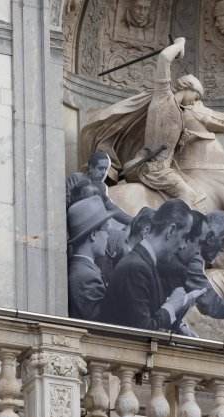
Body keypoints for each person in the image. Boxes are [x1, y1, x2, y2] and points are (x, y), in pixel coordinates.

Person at [101, 199, 206, 330]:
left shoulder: (145, 264)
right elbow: (143, 332)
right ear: (171, 231)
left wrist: (181, 304)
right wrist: (171, 307)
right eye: (184, 236)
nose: (182, 245)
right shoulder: (136, 268)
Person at [133, 37, 205, 207]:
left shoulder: (179, 113)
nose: (195, 102)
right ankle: (176, 230)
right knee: (188, 194)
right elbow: (164, 58)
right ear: (188, 88)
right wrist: (179, 45)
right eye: (196, 97)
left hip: (164, 168)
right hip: (155, 170)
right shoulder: (163, 96)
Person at [67, 196, 113, 321]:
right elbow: (102, 325)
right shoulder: (87, 277)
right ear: (93, 234)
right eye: (106, 230)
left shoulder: (80, 268)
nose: (108, 236)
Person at [66, 152, 133, 224]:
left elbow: (112, 208)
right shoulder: (76, 178)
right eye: (100, 168)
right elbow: (65, 202)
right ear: (91, 168)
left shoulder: (101, 187)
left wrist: (133, 221)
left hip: (91, 226)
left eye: (105, 169)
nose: (104, 172)